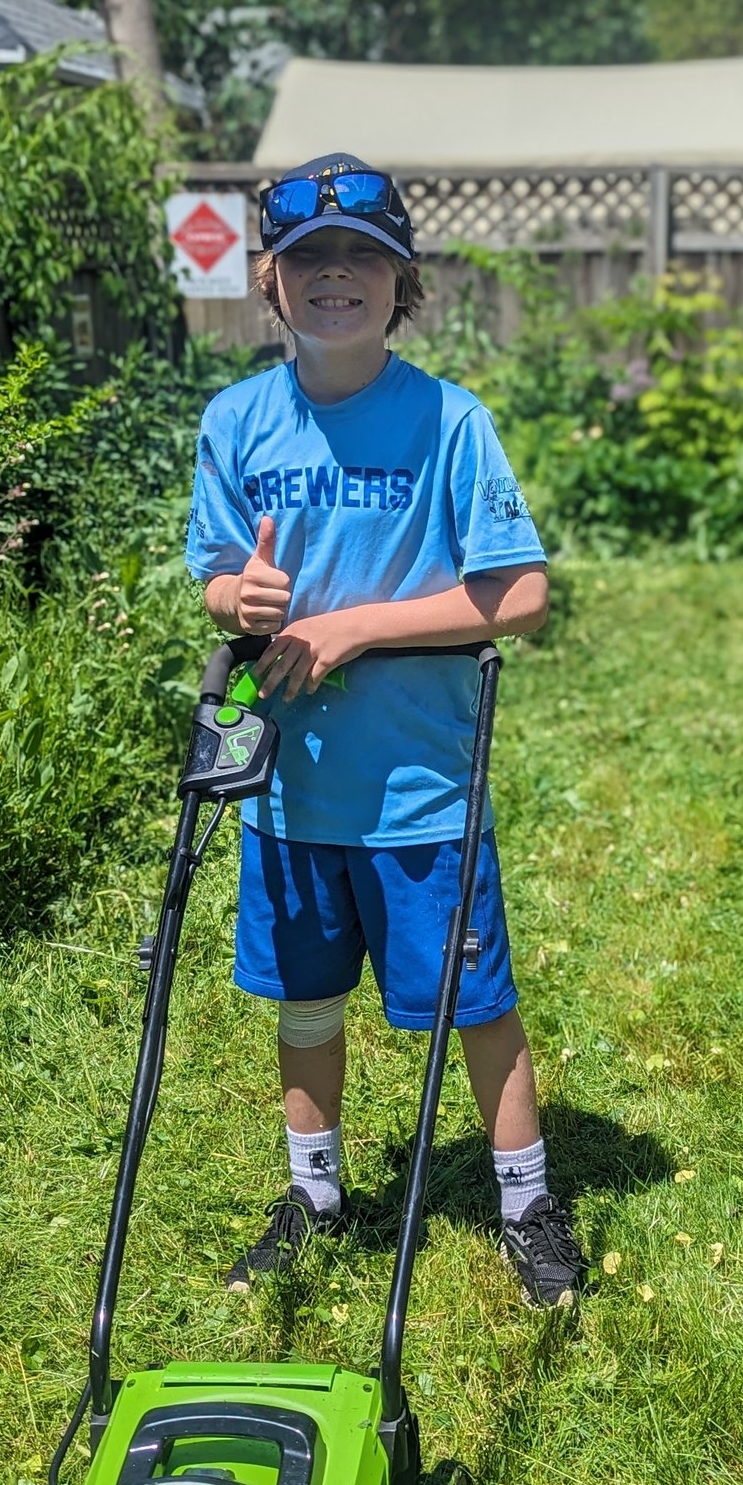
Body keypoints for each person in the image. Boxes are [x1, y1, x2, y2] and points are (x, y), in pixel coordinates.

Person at [185, 153, 584, 1308]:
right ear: (270, 281)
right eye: (309, 257)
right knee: (304, 1000)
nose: (337, 275)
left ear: (402, 281)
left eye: (365, 255)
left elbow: (517, 594)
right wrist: (239, 602)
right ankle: (314, 1191)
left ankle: (525, 1198)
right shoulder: (237, 420)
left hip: (418, 789)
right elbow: (215, 572)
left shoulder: (451, 422)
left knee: (475, 1002)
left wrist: (355, 626)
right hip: (287, 788)